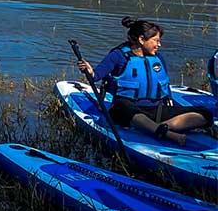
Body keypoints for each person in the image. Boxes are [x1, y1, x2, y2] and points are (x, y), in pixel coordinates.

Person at [77, 17, 214, 146]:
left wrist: (170, 101)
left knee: (205, 114)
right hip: (126, 110)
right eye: (155, 40)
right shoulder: (119, 56)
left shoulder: (158, 58)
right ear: (142, 39)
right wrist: (89, 71)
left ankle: (161, 127)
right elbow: (96, 75)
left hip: (155, 110)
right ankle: (164, 133)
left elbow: (165, 86)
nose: (159, 44)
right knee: (124, 107)